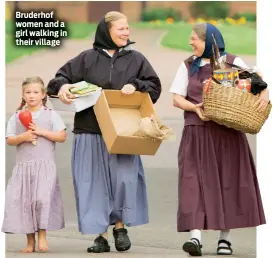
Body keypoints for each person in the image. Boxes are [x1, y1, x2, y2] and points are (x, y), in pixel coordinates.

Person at [47, 11, 161, 253]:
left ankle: (120, 227)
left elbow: (154, 86)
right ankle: (100, 235)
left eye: (127, 28)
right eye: (121, 28)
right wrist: (65, 87)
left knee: (123, 181)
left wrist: (136, 85)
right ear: (106, 31)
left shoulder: (136, 59)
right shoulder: (86, 59)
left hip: (124, 133)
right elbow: (57, 80)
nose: (126, 32)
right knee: (93, 183)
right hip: (89, 131)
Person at [170, 22, 268, 256]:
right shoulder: (188, 66)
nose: (190, 42)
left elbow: (256, 86)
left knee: (228, 182)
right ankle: (195, 237)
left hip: (227, 134)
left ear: (209, 41)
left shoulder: (232, 63)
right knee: (193, 183)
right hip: (196, 131)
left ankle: (225, 238)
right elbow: (176, 98)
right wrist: (195, 108)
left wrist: (263, 94)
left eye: (194, 38)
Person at [2, 76, 66, 253]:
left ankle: (43, 234)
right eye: (28, 92)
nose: (32, 96)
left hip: (45, 167)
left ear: (43, 94)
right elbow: (10, 139)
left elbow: (61, 136)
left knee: (41, 199)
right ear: (23, 95)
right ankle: (30, 241)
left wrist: (41, 131)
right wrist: (23, 137)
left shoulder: (51, 115)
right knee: (26, 203)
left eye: (36, 92)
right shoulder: (16, 116)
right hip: (24, 168)